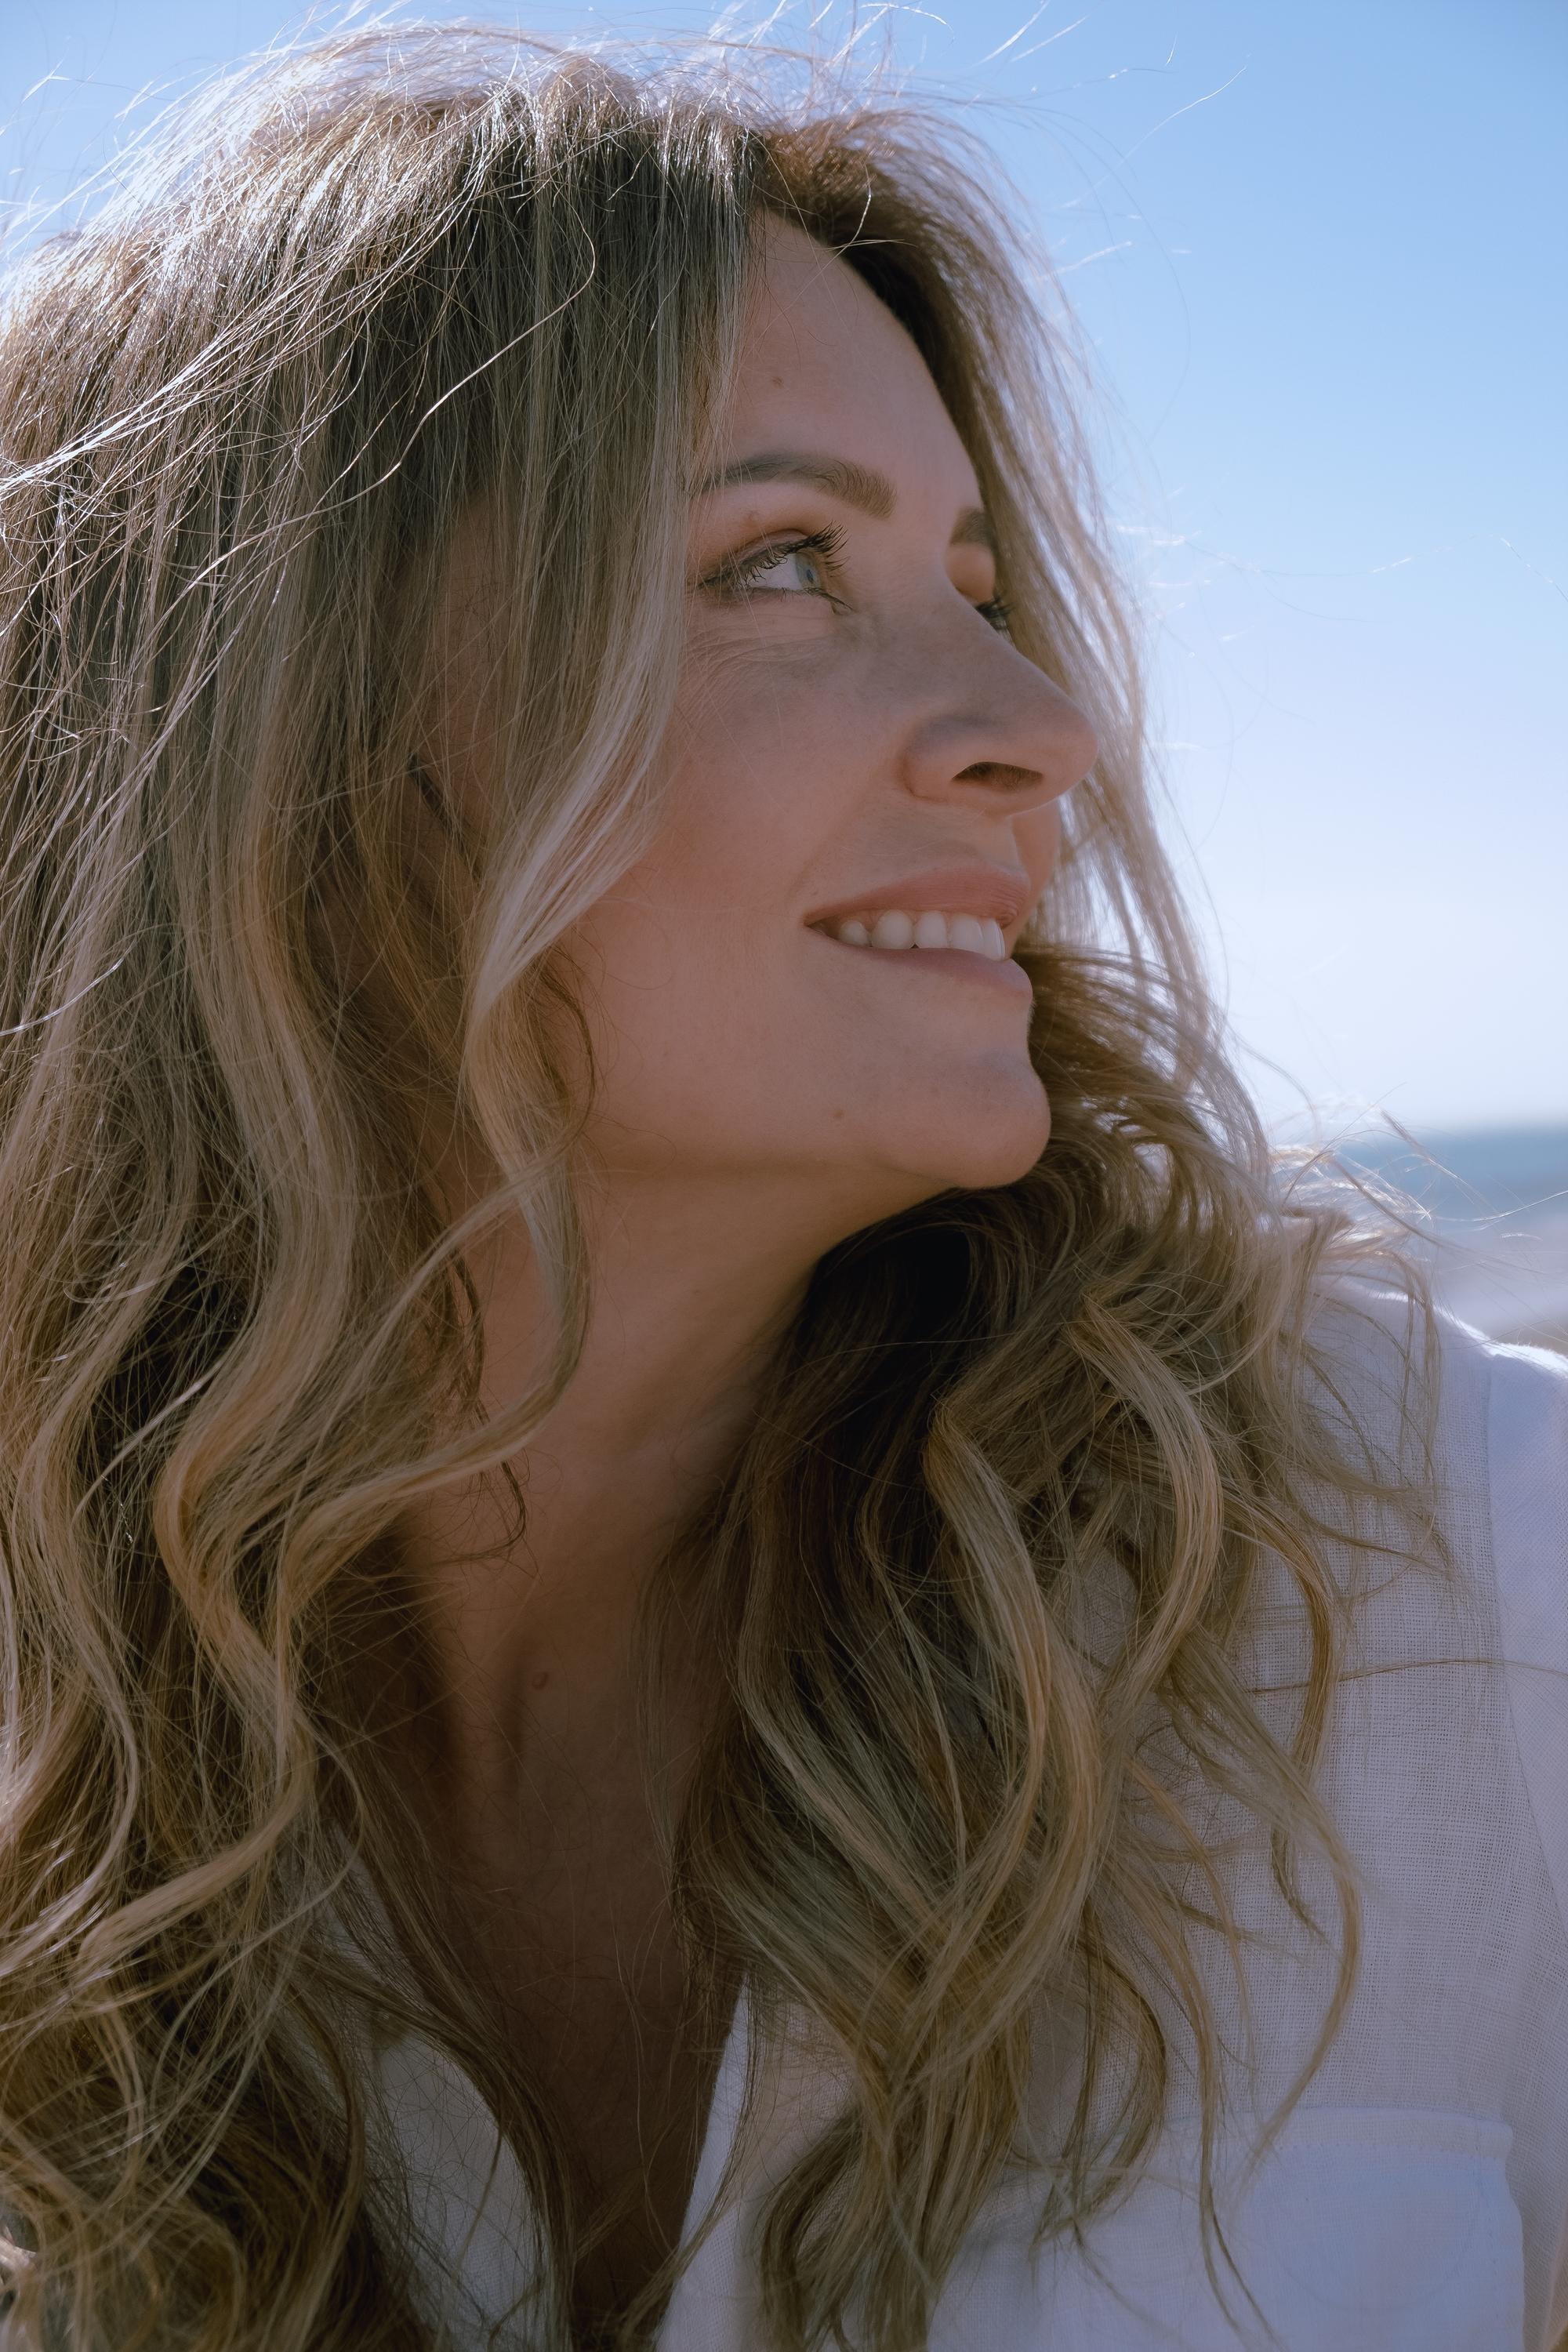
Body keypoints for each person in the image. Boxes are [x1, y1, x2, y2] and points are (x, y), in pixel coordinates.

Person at [0, 25, 1561, 2352]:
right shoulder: (63, 1738)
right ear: (278, 741)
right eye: (784, 563)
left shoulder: (1466, 1588)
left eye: (976, 572)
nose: (1047, 731)